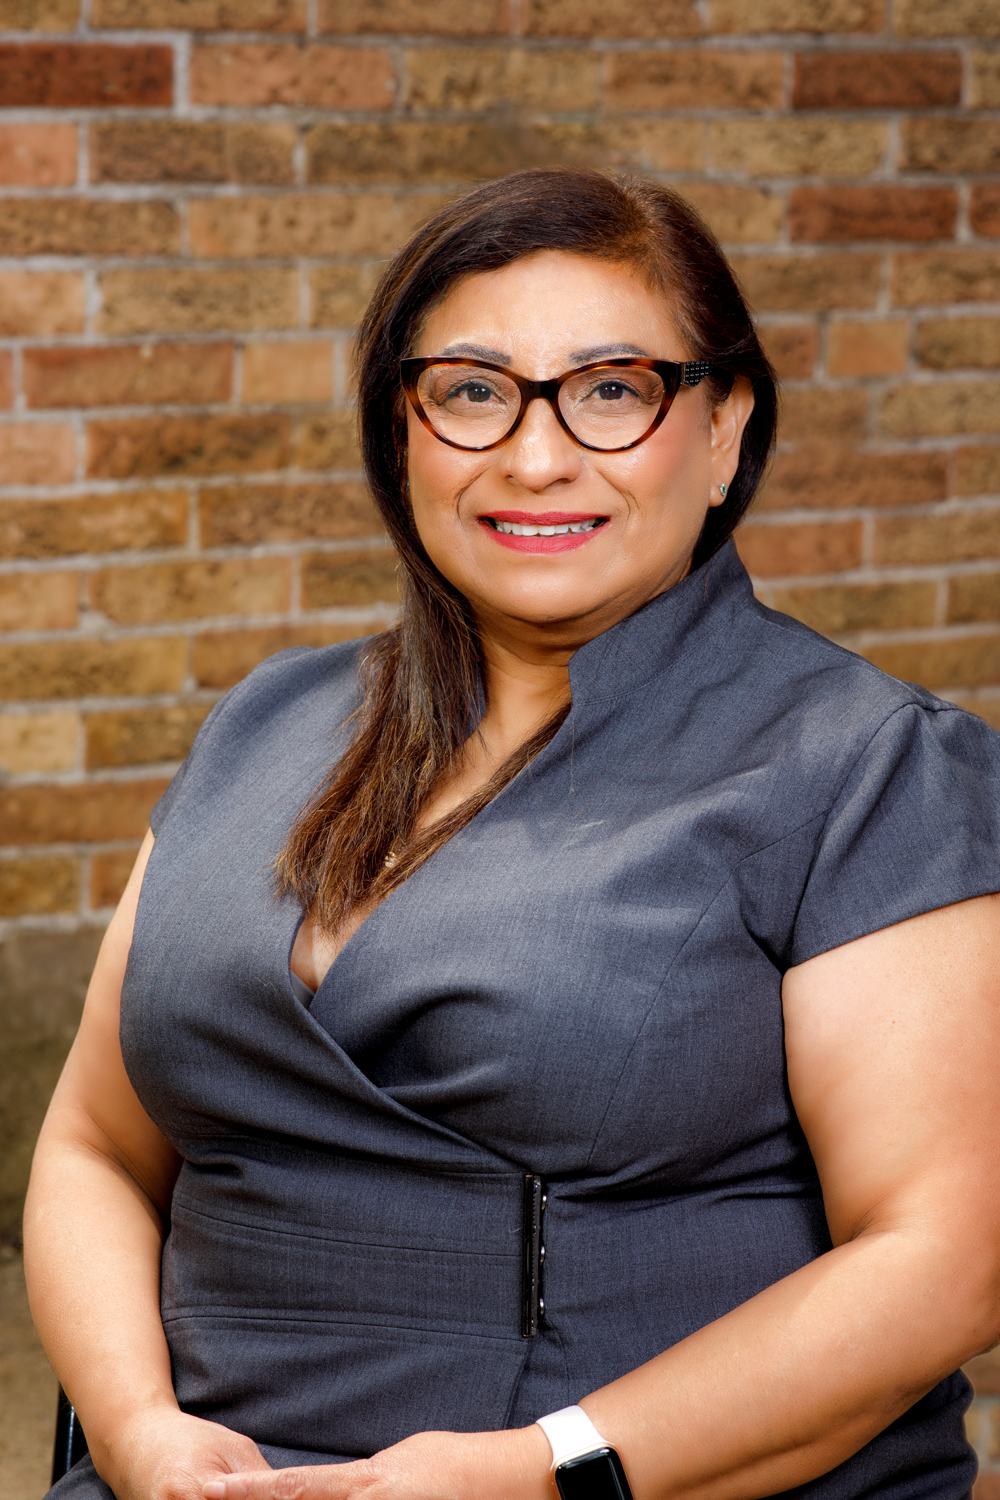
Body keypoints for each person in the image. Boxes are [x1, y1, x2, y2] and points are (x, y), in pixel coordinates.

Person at [24, 169, 1000, 1500]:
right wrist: (136, 1431)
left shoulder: (868, 767)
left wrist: (549, 1469)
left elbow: (945, 1258)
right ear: (403, 430)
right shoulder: (265, 724)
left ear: (723, 429)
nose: (535, 458)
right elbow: (95, 1147)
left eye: (613, 390)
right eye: (474, 391)